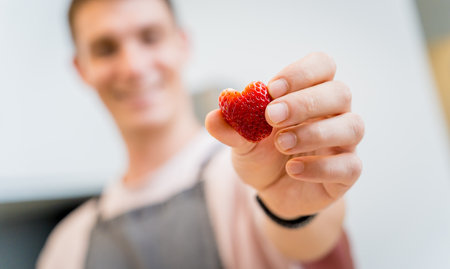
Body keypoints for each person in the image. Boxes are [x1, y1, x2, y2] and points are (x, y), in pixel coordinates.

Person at [37, 0, 364, 268]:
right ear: (82, 69)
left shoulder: (253, 174)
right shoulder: (67, 246)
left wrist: (294, 209)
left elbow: (311, 241)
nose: (134, 66)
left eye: (150, 36)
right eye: (106, 48)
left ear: (182, 44)